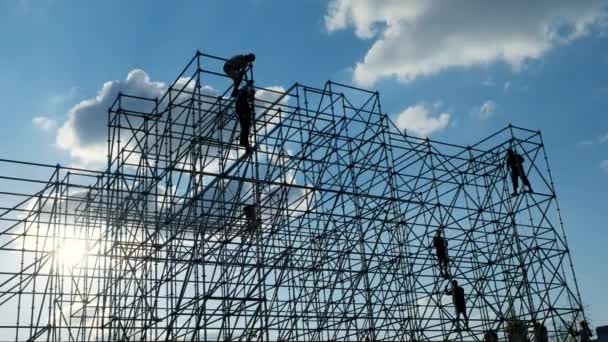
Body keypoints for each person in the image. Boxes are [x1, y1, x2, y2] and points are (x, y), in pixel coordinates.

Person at [235, 82, 255, 154]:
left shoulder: (243, 93)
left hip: (242, 111)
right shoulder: (243, 95)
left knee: (245, 128)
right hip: (243, 111)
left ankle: (245, 145)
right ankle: (245, 144)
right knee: (245, 128)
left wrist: (249, 84)